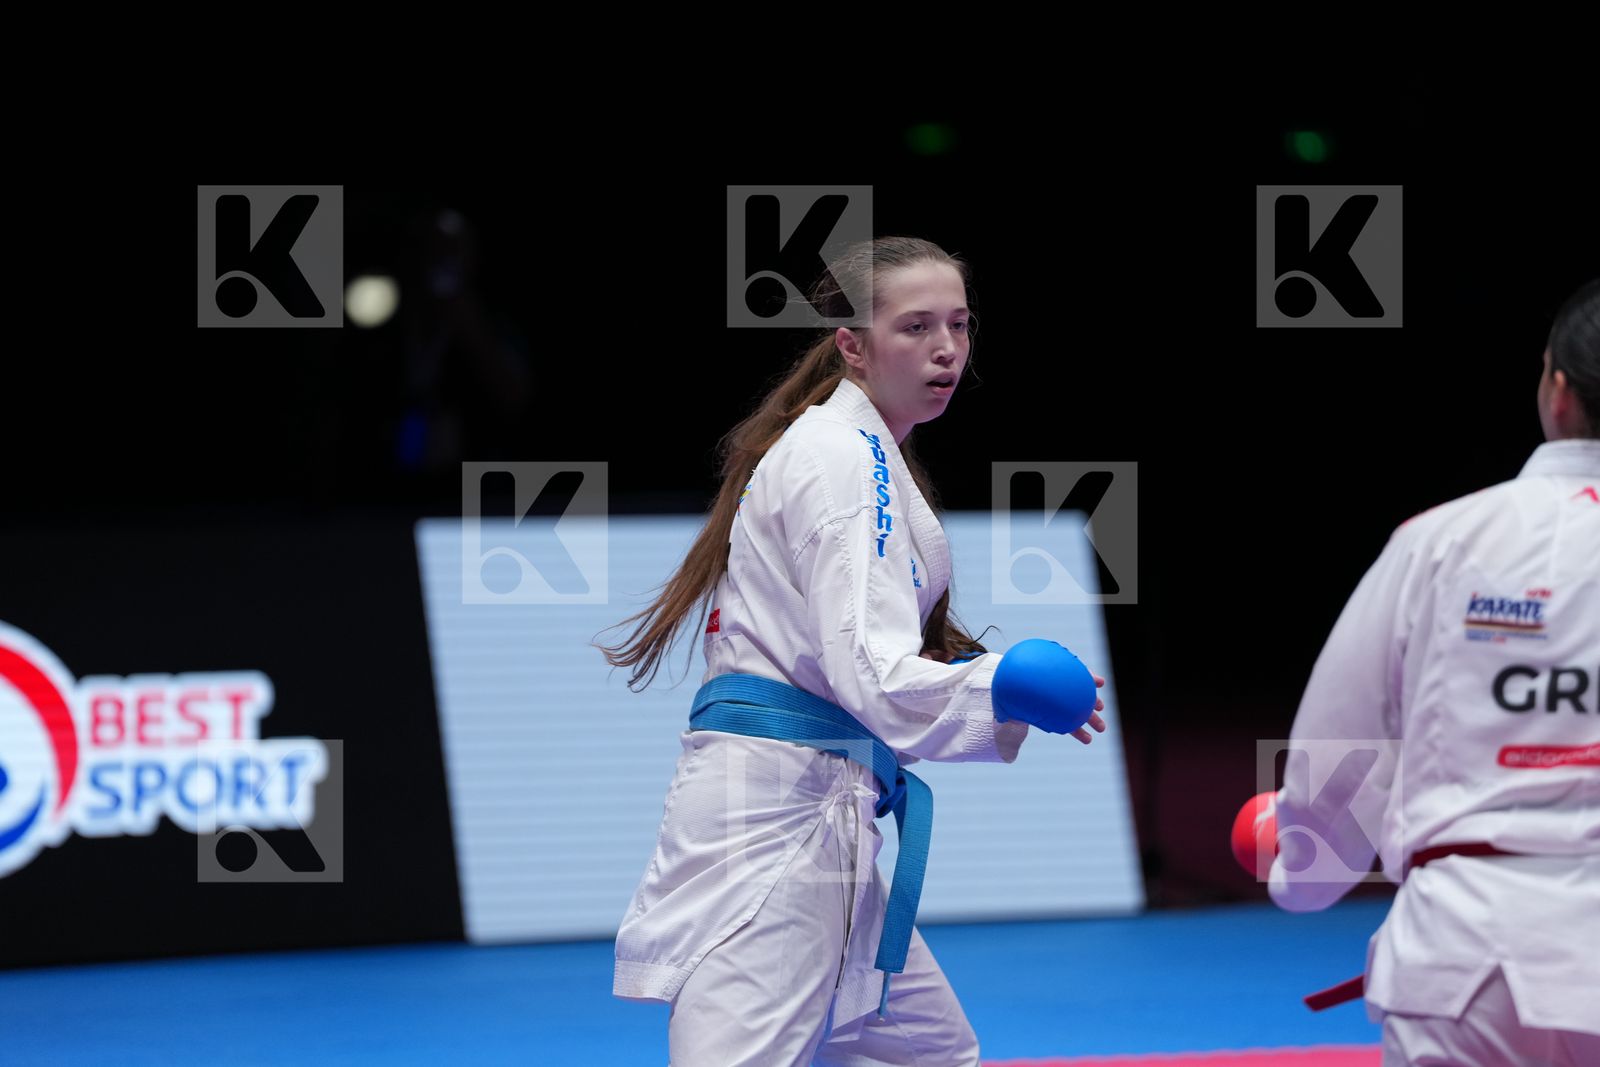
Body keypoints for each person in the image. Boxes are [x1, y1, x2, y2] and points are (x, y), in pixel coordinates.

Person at [599, 235, 1108, 1066]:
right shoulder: (840, 457)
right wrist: (998, 688)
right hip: (776, 827)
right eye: (915, 328)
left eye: (960, 324)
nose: (946, 348)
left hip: (819, 812)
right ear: (852, 345)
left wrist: (993, 684)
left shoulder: (866, 453)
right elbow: (868, 671)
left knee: (929, 1055)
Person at [1266, 278, 1600, 1065]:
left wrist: (1300, 875)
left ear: (1557, 390)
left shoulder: (1441, 540)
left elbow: (1341, 756)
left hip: (1467, 953)